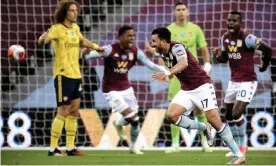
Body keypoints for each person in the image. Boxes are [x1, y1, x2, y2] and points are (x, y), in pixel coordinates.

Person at [151, 27, 245, 164]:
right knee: (171, 115)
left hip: (202, 86)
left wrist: (166, 73)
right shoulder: (162, 52)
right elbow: (176, 71)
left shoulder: (177, 47)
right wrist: (167, 77)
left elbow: (183, 63)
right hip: (187, 90)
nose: (152, 44)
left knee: (214, 120)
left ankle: (238, 154)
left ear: (163, 41)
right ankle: (203, 127)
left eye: (154, 41)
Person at [84, 25, 168, 154]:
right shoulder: (109, 50)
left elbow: (151, 65)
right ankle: (121, 128)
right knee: (134, 119)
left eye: (133, 36)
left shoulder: (135, 51)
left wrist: (167, 71)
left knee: (134, 120)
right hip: (111, 91)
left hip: (127, 89)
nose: (132, 39)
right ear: (121, 37)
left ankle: (131, 144)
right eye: (129, 36)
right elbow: (89, 56)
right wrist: (85, 52)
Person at [38, 0, 103, 156]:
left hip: (76, 76)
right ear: (65, 13)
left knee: (74, 111)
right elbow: (43, 41)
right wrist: (42, 38)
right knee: (63, 110)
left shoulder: (75, 28)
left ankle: (70, 147)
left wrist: (95, 47)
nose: (76, 13)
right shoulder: (57, 29)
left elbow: (83, 41)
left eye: (76, 10)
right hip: (63, 75)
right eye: (72, 10)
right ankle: (53, 148)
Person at [213, 11, 272, 157]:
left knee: (236, 113)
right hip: (234, 82)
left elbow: (268, 49)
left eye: (234, 21)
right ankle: (235, 146)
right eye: (229, 20)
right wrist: (217, 56)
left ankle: (241, 145)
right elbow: (224, 59)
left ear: (240, 23)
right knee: (227, 115)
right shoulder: (225, 38)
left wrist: (264, 65)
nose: (231, 23)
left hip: (248, 81)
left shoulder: (248, 38)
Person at [161, 2, 213, 152]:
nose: (181, 12)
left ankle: (204, 143)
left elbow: (203, 49)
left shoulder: (195, 29)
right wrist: (164, 70)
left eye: (183, 9)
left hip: (193, 76)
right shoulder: (169, 30)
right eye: (178, 10)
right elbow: (162, 52)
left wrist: (208, 64)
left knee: (199, 109)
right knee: (173, 109)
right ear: (174, 12)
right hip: (176, 75)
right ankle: (175, 144)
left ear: (188, 12)